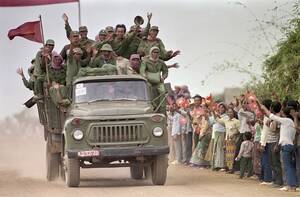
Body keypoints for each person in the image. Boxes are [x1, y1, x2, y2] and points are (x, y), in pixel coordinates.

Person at [260, 103, 297, 191]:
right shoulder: (290, 122)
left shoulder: (286, 120)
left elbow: (271, 116)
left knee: (287, 167)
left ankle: (289, 185)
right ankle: (292, 185)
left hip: (286, 146)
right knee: (290, 166)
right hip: (290, 145)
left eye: (282, 111)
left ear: (284, 113)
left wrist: (264, 107)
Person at [140, 46, 168, 113]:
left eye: (157, 52)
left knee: (163, 91)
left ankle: (162, 109)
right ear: (151, 53)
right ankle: (152, 106)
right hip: (148, 81)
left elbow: (165, 71)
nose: (155, 54)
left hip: (158, 81)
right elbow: (142, 70)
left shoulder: (161, 62)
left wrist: (163, 77)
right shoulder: (145, 61)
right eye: (154, 52)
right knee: (148, 89)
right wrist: (144, 76)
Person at [213, 108, 241, 173]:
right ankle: (229, 167)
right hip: (227, 139)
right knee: (228, 154)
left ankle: (232, 168)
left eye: (231, 112)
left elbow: (240, 131)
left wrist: (234, 133)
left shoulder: (237, 121)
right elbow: (217, 120)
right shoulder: (226, 121)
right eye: (228, 112)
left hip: (234, 140)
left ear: (234, 113)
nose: (229, 113)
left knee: (233, 154)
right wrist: (213, 112)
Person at [211, 103, 228, 171]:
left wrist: (216, 116)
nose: (221, 109)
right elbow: (211, 123)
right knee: (215, 150)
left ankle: (222, 165)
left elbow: (223, 123)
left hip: (222, 133)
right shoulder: (216, 115)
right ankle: (216, 165)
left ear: (225, 109)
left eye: (223, 107)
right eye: (220, 107)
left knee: (221, 150)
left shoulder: (226, 116)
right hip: (215, 134)